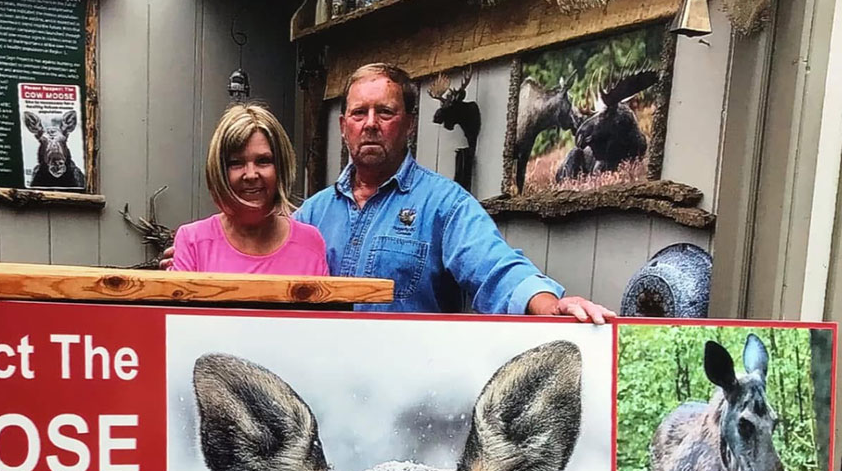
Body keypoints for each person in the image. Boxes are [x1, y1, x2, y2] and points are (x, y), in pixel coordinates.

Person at [163, 64, 611, 323]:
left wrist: (548, 303)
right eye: (359, 113)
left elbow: (495, 268)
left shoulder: (445, 206)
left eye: (386, 112)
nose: (371, 124)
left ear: (410, 123)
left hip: (411, 394)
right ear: (344, 127)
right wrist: (194, 259)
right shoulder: (311, 216)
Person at [169, 102, 328, 276]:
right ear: (219, 170)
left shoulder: (310, 243)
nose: (251, 175)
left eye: (263, 161)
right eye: (236, 163)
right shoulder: (193, 242)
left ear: (281, 166)